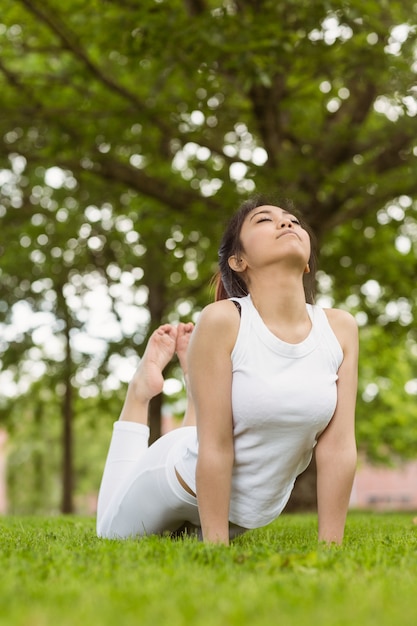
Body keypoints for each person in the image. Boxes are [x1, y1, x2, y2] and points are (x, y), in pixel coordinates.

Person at [96, 195, 358, 545]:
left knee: (177, 538)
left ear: (308, 262)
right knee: (110, 533)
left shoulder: (340, 328)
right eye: (265, 220)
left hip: (248, 510)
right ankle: (139, 391)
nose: (287, 223)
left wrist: (332, 548)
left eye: (294, 221)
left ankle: (196, 386)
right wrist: (215, 548)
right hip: (179, 480)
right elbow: (215, 446)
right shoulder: (224, 319)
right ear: (238, 261)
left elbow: (338, 447)